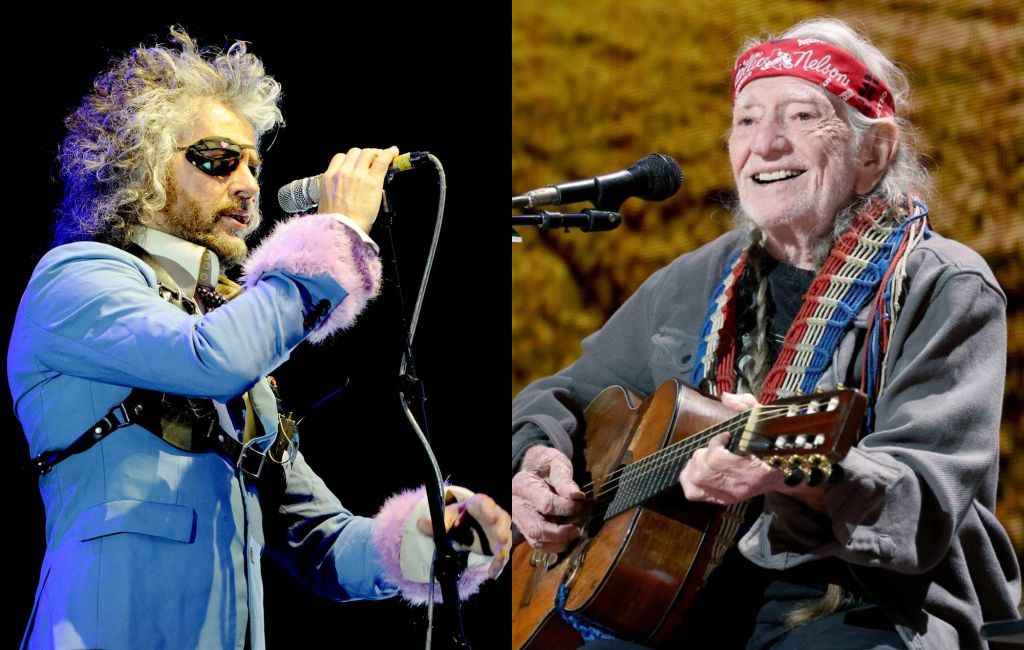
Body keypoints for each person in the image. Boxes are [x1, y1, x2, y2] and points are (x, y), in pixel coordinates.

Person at [511, 17, 1020, 650]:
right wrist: (535, 460)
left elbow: (923, 499)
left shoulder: (944, 285)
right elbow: (559, 395)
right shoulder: (695, 279)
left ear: (873, 153)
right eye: (747, 120)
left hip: (865, 601)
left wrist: (793, 476)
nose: (766, 143)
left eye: (802, 117)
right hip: (688, 594)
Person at [9, 28, 510, 650]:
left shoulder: (234, 324)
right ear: (140, 166)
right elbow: (208, 358)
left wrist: (430, 540)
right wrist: (338, 233)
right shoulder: (76, 279)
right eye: (220, 159)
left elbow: (322, 542)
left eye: (253, 164)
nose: (248, 184)